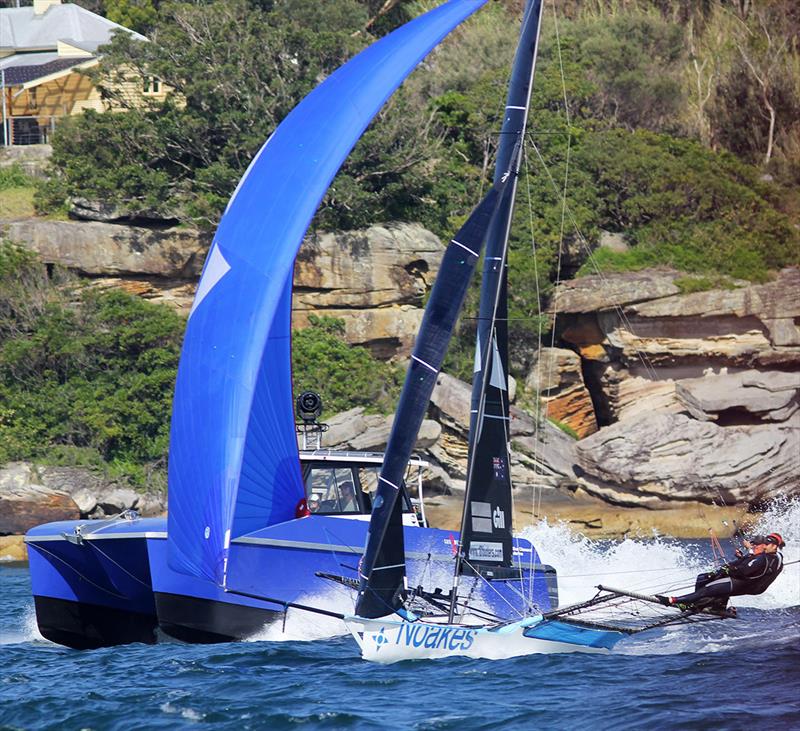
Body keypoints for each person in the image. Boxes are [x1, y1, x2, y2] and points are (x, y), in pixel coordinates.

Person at [658, 532, 785, 611]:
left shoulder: (763, 558)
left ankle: (673, 601)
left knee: (708, 588)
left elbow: (745, 570)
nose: (761, 547)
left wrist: (728, 569)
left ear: (774, 546)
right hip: (754, 586)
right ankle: (712, 605)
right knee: (705, 578)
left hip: (745, 583)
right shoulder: (777, 557)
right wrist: (744, 557)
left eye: (764, 545)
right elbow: (756, 568)